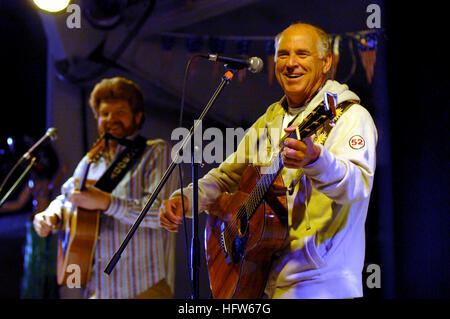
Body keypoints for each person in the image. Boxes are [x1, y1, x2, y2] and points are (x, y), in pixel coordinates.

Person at [160, 22, 378, 299]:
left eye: (302, 54)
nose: (290, 63)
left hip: (323, 284)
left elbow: (357, 186)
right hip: (267, 280)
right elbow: (226, 176)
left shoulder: (349, 116)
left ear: (326, 63)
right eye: (283, 54)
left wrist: (315, 160)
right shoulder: (270, 119)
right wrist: (187, 200)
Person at [33, 77, 178, 299]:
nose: (111, 119)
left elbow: (162, 214)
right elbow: (66, 198)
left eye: (119, 112)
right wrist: (49, 216)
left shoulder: (156, 152)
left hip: (145, 288)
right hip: (98, 290)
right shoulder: (90, 162)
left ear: (137, 116)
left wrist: (107, 202)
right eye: (104, 114)